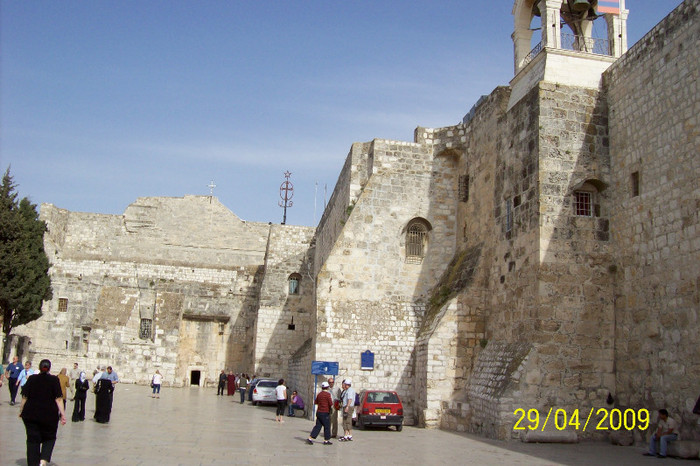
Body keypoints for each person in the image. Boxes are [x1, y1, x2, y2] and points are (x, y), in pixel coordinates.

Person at [18, 359, 67, 466]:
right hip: (49, 415)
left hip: (30, 414)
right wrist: (62, 414)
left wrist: (21, 410)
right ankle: (43, 460)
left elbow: (24, 397)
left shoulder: (32, 378)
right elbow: (58, 399)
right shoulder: (54, 380)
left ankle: (32, 463)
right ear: (49, 368)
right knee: (49, 438)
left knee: (32, 439)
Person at [306, 381, 333, 445]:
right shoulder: (328, 394)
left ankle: (310, 438)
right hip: (325, 412)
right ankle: (326, 440)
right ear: (327, 387)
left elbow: (316, 402)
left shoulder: (319, 394)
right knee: (327, 427)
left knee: (318, 426)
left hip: (319, 412)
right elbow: (330, 403)